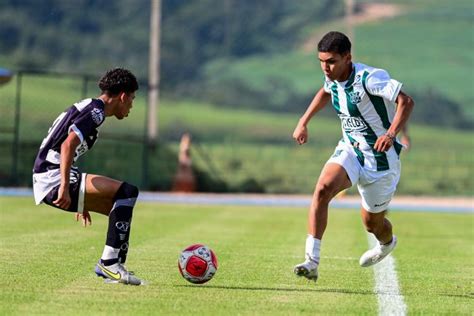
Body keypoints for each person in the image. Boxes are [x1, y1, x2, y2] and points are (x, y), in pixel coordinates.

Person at [292, 31, 414, 281]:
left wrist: (391, 135)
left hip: (381, 161)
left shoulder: (370, 78)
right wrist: (303, 121)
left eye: (331, 61)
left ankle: (387, 243)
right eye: (322, 61)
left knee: (373, 224)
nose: (326, 67)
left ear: (348, 57)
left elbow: (406, 101)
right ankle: (311, 261)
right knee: (323, 189)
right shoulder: (333, 77)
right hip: (350, 149)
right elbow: (325, 91)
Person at [32, 68, 144, 285]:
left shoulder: (92, 108)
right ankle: (109, 265)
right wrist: (66, 186)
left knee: (119, 207)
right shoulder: (96, 111)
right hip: (52, 177)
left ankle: (113, 268)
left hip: (51, 175)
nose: (131, 105)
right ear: (123, 96)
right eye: (132, 99)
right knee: (127, 192)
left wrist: (82, 198)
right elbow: (67, 146)